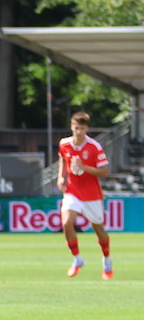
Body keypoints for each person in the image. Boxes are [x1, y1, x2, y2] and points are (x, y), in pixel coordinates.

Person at [57, 111, 112, 279]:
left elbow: (105, 172)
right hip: (72, 191)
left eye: (82, 128)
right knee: (67, 223)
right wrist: (60, 176)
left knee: (99, 229)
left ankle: (107, 261)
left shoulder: (94, 147)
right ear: (71, 127)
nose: (78, 131)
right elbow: (62, 159)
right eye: (76, 128)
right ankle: (77, 259)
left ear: (87, 129)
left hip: (91, 195)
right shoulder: (64, 144)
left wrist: (84, 167)